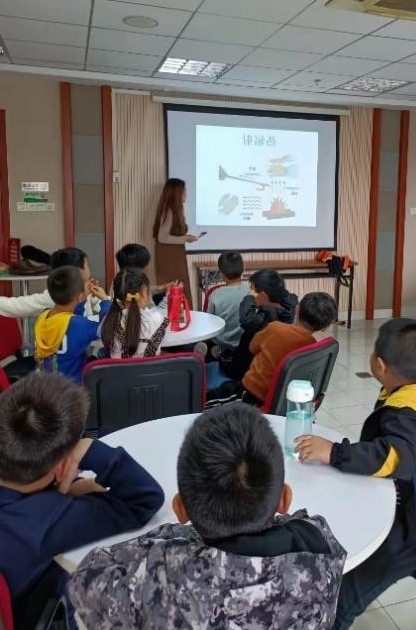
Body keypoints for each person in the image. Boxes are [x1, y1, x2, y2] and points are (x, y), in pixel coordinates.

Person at [66, 403, 346, 629]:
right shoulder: (320, 546)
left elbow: (81, 582)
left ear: (180, 509)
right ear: (284, 499)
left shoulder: (155, 575)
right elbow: (297, 522)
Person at [295, 318, 416, 629]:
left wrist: (334, 452)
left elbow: (396, 457)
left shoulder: (406, 415)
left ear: (380, 365)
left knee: (341, 597)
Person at [0, 373, 164, 629]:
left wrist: (63, 489)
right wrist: (90, 449)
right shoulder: (45, 519)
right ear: (61, 467)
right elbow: (144, 499)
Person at [207, 292, 337, 407]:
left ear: (297, 309)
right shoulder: (313, 348)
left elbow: (252, 348)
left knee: (204, 401)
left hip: (250, 395)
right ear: (325, 327)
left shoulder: (275, 328)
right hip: (280, 401)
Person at [34, 266, 110, 383]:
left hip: (46, 385)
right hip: (72, 389)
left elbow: (69, 316)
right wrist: (105, 300)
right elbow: (106, 325)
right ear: (79, 296)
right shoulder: (78, 325)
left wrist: (82, 298)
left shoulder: (43, 317)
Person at [219, 268, 298, 380]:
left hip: (248, 371)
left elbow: (247, 320)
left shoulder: (266, 321)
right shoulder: (289, 310)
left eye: (252, 290)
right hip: (275, 368)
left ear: (263, 295)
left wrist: (250, 299)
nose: (250, 292)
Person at [0, 246, 98, 318]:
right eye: (87, 265)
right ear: (78, 271)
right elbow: (18, 306)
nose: (89, 269)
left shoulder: (87, 289)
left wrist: (95, 297)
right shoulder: (57, 295)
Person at [101, 268, 169, 358]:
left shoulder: (108, 321)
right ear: (144, 293)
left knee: (101, 353)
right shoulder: (158, 318)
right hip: (151, 367)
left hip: (118, 367)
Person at [152, 178, 199, 305]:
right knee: (175, 289)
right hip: (170, 257)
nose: (186, 194)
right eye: (184, 191)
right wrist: (185, 238)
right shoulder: (169, 210)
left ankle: (178, 313)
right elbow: (162, 237)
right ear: (177, 193)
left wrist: (186, 236)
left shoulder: (173, 209)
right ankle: (176, 314)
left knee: (178, 288)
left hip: (174, 254)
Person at [207, 251, 248, 352]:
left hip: (221, 345)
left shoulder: (215, 295)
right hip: (247, 346)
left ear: (221, 274)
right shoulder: (253, 292)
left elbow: (209, 324)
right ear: (243, 269)